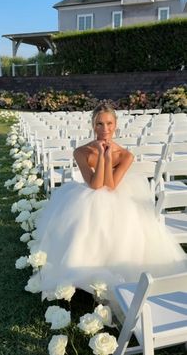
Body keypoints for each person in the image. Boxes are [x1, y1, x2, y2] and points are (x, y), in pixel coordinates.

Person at [31, 103, 187, 300]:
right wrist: (101, 155)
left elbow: (110, 186)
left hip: (117, 195)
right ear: (93, 126)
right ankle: (79, 277)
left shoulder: (125, 155)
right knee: (83, 222)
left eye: (109, 124)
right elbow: (96, 186)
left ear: (115, 125)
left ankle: (118, 275)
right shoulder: (81, 152)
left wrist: (106, 156)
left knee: (123, 228)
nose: (105, 129)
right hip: (88, 193)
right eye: (99, 124)